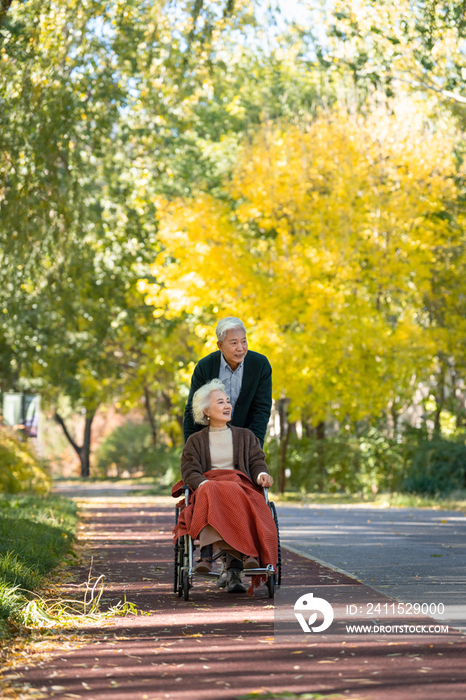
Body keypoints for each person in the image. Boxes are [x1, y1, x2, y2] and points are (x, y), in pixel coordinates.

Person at [174, 379, 276, 594]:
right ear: (206, 410)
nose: (227, 405)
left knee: (233, 490)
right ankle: (211, 555)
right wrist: (202, 483)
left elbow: (257, 462)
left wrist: (262, 474)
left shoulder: (246, 436)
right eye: (220, 402)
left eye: (228, 401)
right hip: (208, 487)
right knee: (210, 489)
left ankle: (232, 555)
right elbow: (190, 471)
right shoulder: (195, 441)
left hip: (240, 486)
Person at [183, 317, 272, 448]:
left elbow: (261, 410)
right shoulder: (205, 367)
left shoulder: (260, 365)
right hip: (210, 441)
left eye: (244, 341)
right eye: (234, 343)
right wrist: (191, 451)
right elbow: (193, 410)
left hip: (245, 440)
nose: (240, 348)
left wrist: (254, 449)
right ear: (220, 345)